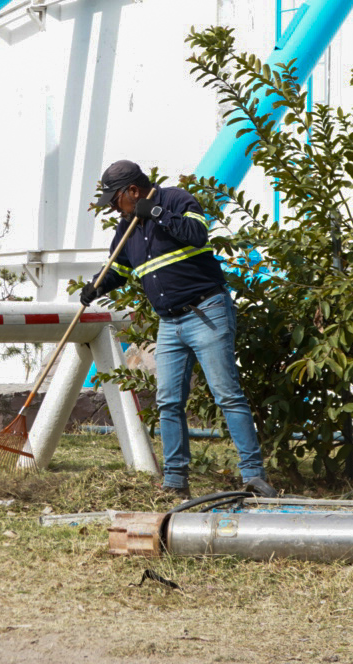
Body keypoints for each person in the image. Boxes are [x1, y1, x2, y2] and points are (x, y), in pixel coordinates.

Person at [81, 159, 276, 499]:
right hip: (169, 323)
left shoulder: (176, 200)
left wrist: (155, 212)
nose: (113, 207)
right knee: (169, 401)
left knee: (227, 396)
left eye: (115, 199)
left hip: (207, 312)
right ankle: (174, 481)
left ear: (133, 190)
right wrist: (97, 287)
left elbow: (197, 233)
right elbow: (121, 269)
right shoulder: (125, 227)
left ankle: (254, 476)